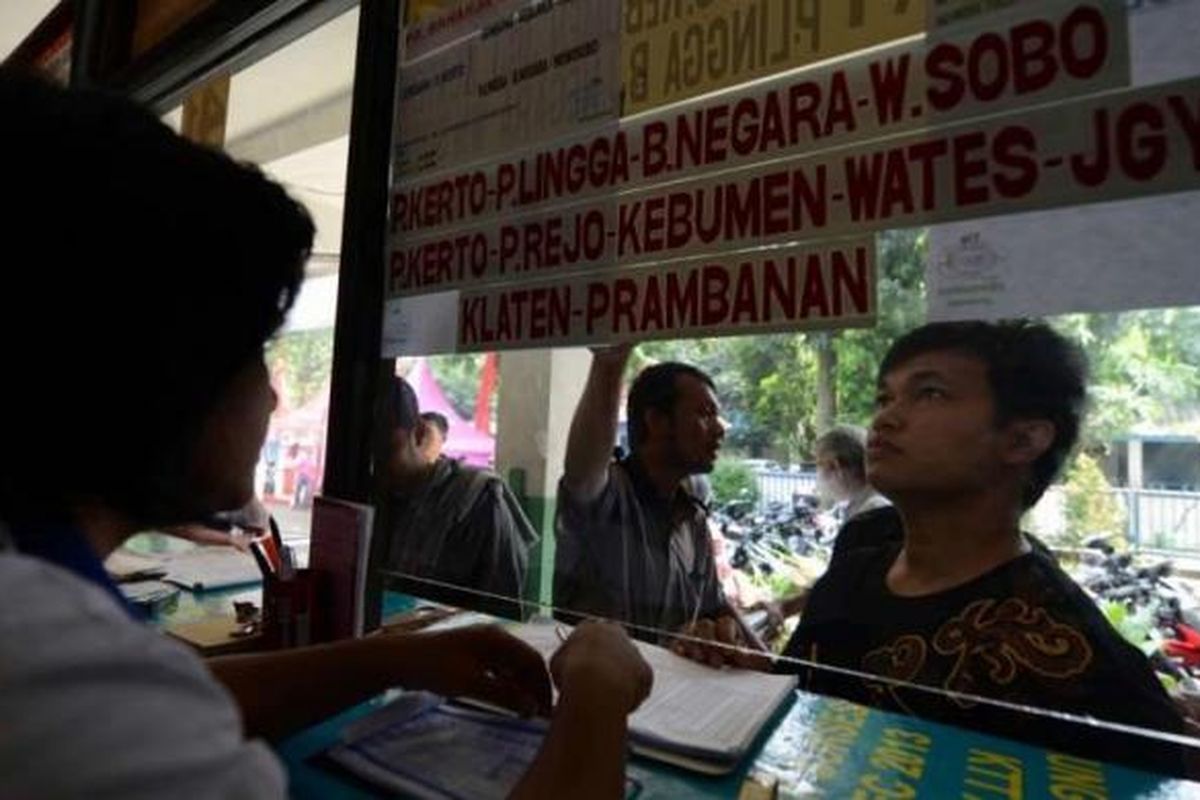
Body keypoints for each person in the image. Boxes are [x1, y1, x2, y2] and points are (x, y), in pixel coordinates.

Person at [0, 71, 651, 799]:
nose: (274, 393)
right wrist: (597, 692)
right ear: (167, 367)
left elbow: (147, 703)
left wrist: (380, 661)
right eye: (257, 351)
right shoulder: (38, 657)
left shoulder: (42, 612)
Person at [780, 321, 1188, 775]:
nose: (885, 418)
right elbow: (783, 719)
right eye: (885, 398)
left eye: (929, 393)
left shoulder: (1076, 658)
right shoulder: (850, 575)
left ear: (1022, 440)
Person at [554, 344, 761, 656]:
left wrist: (769, 666)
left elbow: (715, 605)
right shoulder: (606, 497)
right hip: (600, 694)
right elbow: (582, 468)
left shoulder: (692, 517)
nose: (720, 429)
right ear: (657, 421)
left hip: (671, 696)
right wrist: (611, 360)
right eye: (705, 414)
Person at [383, 375, 537, 620]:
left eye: (386, 450)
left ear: (420, 433)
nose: (373, 466)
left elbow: (498, 616)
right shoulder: (373, 501)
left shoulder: (477, 500)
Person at [813, 426, 889, 525]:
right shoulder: (862, 502)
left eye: (819, 464)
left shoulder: (873, 509)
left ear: (835, 465)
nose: (819, 475)